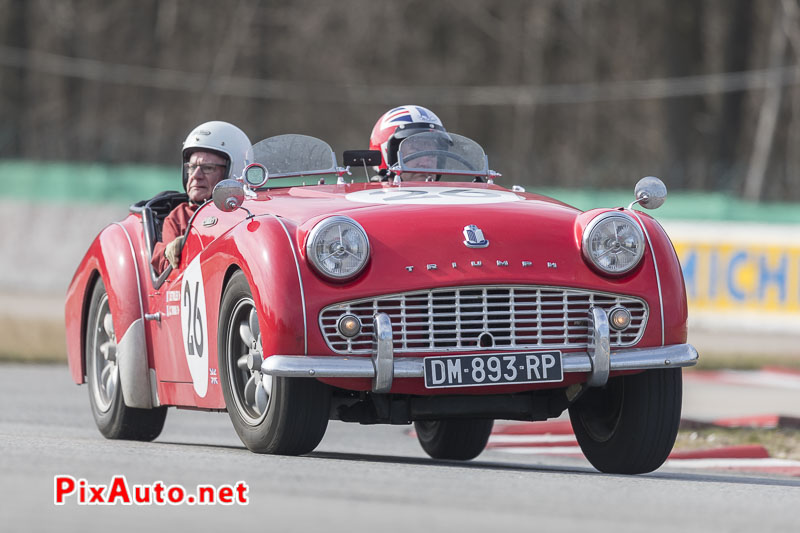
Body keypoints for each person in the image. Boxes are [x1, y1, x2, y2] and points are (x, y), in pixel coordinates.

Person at [151, 121, 251, 274]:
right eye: (191, 167)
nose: (196, 176)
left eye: (208, 168)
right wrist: (174, 249)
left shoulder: (248, 213)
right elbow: (165, 271)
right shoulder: (178, 217)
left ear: (233, 171)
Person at [368, 105, 449, 181]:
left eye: (432, 154)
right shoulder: (363, 196)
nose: (425, 163)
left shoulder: (452, 195)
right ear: (388, 155)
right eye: (415, 153)